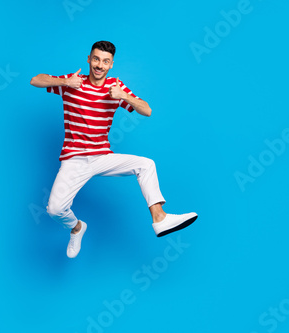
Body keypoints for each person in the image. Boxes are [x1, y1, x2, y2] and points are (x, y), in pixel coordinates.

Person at [30, 41, 197, 258]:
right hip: (74, 159)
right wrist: (65, 81)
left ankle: (160, 218)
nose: (100, 65)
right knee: (54, 210)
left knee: (146, 165)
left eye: (105, 61)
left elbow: (147, 110)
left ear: (111, 64)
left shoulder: (115, 87)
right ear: (89, 59)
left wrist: (124, 96)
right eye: (96, 59)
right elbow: (35, 80)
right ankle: (77, 227)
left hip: (101, 156)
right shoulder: (72, 82)